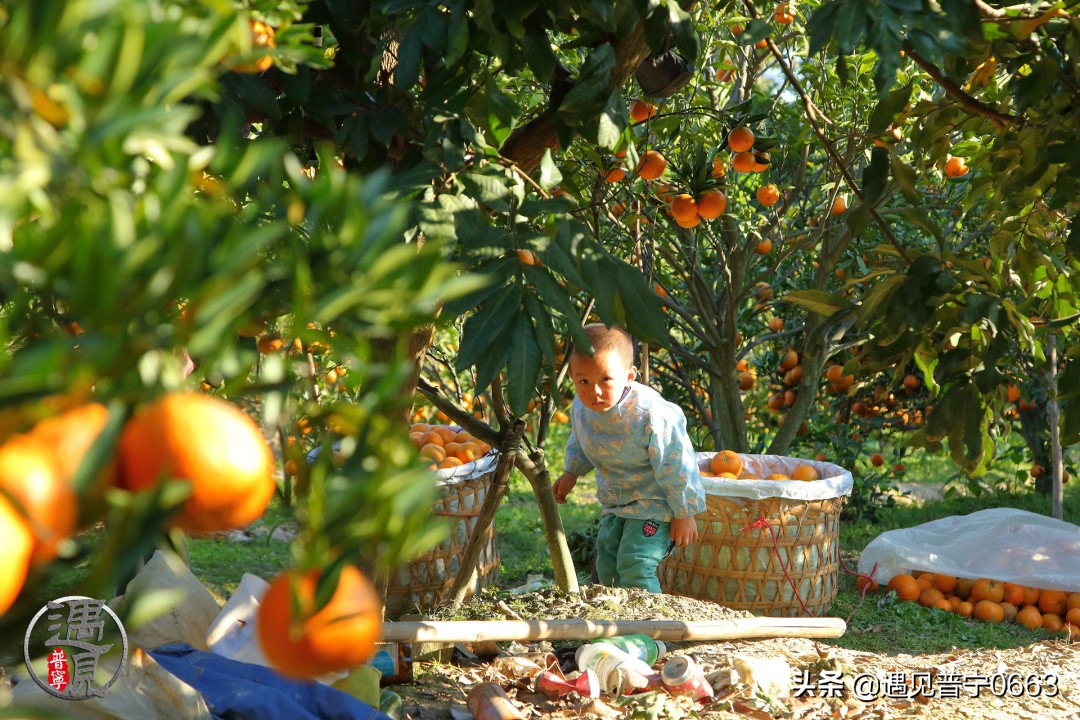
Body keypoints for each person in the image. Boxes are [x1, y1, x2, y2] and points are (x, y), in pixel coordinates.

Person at [553, 323, 706, 593]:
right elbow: (581, 439)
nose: (594, 391)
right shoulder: (582, 407)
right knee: (608, 566)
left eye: (605, 380)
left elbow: (676, 461)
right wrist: (571, 472)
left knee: (636, 563)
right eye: (583, 381)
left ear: (629, 375)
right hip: (615, 501)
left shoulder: (651, 414)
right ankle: (619, 623)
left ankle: (652, 628)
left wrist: (685, 512)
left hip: (655, 503)